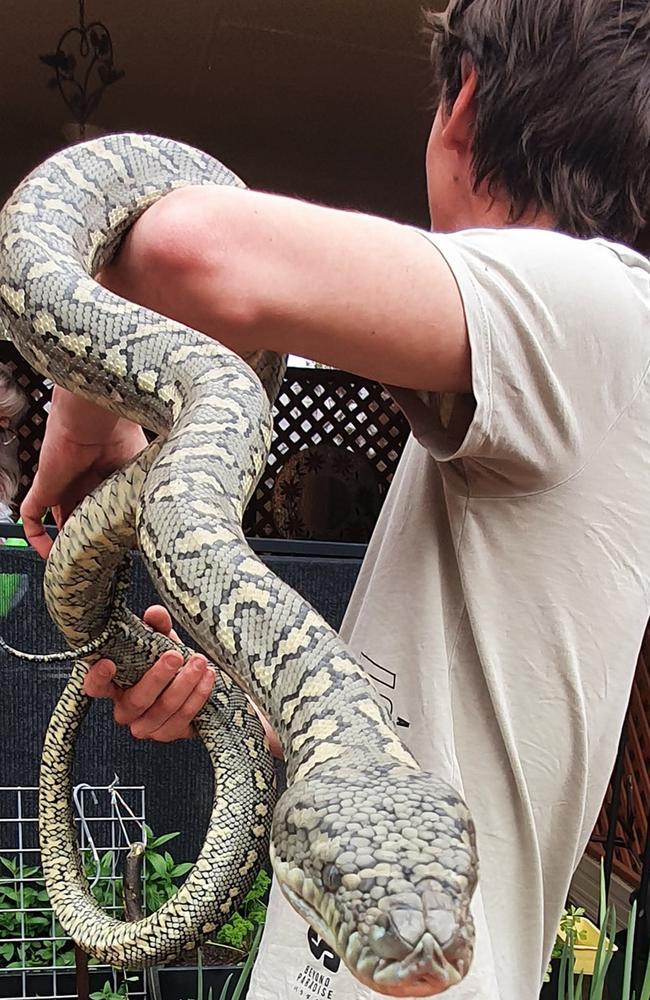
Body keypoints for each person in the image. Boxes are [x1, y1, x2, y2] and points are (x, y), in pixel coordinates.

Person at [20, 0, 650, 996]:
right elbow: (397, 736)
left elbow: (189, 248)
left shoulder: (594, 303)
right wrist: (237, 700)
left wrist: (91, 407)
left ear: (461, 105)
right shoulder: (566, 392)